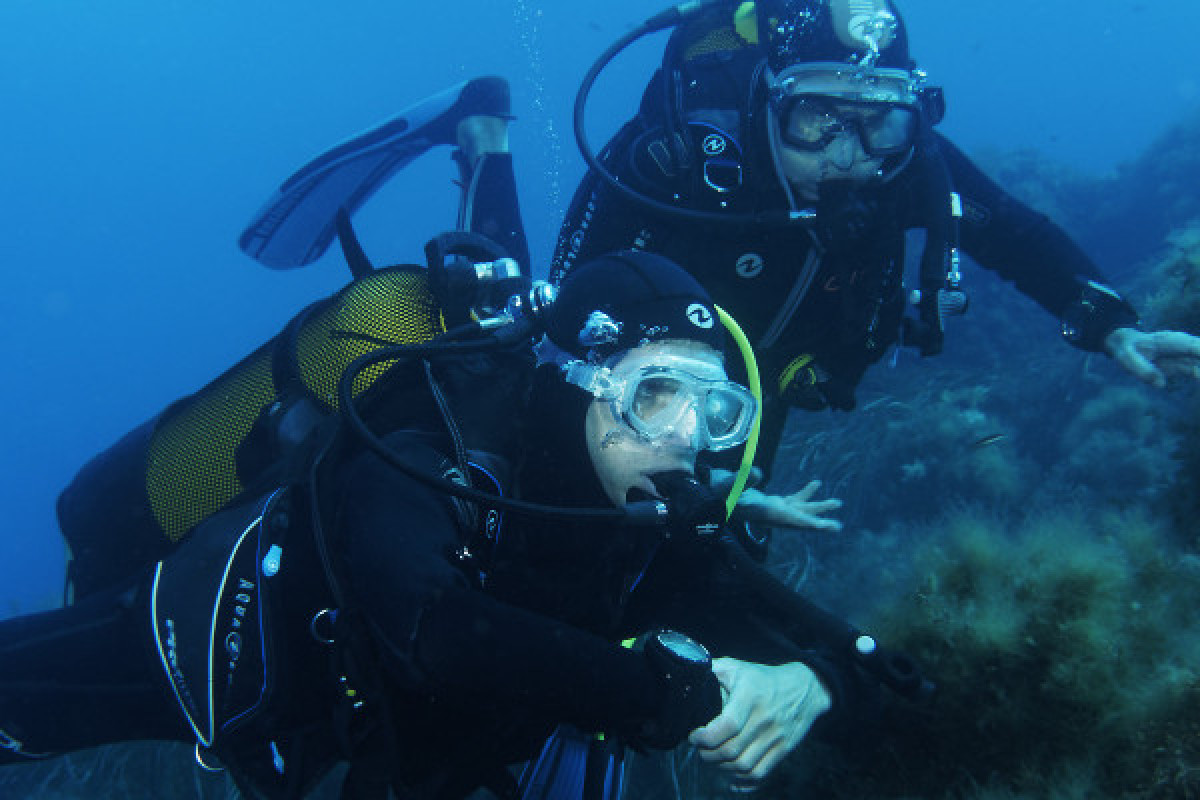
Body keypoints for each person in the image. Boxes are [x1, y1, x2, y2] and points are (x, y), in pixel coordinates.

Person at [0, 249, 908, 799]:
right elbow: (434, 628)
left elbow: (890, 684)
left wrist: (813, 684)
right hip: (231, 653)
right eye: (655, 393)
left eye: (714, 412)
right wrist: (674, 696)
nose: (683, 439)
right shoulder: (427, 446)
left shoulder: (648, 518)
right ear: (574, 381)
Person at [550, 0, 1200, 471]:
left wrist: (1110, 324)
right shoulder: (682, 158)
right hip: (632, 403)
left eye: (881, 122)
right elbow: (565, 306)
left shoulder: (903, 165)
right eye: (816, 118)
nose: (848, 154)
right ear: (769, 102)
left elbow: (1013, 235)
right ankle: (483, 133)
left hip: (764, 401)